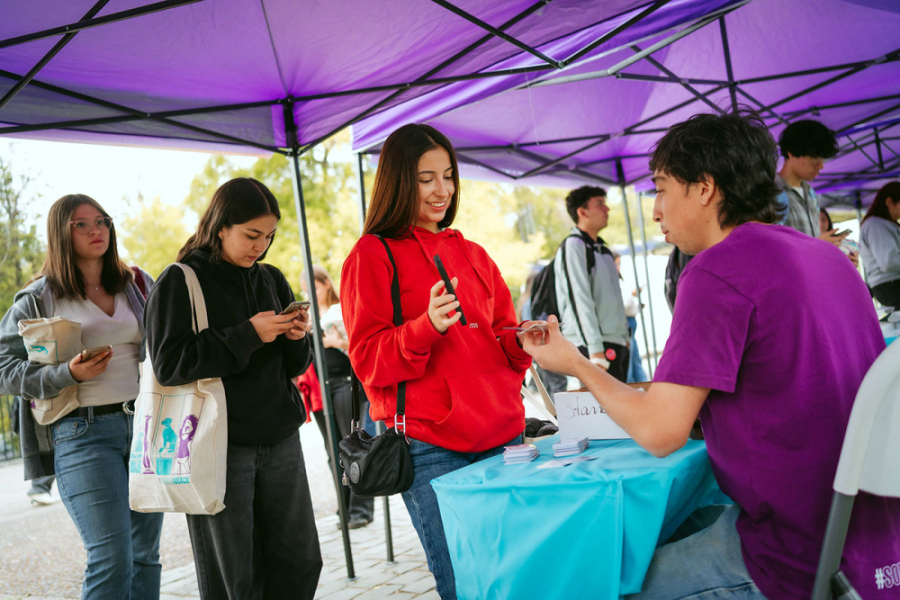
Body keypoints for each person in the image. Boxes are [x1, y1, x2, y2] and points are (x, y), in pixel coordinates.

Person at [521, 110, 899, 599]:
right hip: (873, 539)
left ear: (704, 188)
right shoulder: (829, 257)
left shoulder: (716, 270)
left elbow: (660, 432)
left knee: (598, 584)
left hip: (795, 555)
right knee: (678, 524)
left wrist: (573, 362)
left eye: (661, 189)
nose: (656, 211)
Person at [341, 123, 532, 600]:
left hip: (504, 436)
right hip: (431, 448)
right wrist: (425, 326)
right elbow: (367, 361)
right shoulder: (371, 255)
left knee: (520, 577)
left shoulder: (475, 254)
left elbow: (501, 338)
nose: (441, 190)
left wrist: (525, 340)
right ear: (398, 181)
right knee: (466, 585)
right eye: (426, 178)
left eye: (448, 176)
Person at [144, 177, 322, 600]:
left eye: (269, 236)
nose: (261, 245)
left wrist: (296, 337)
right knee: (234, 576)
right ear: (221, 226)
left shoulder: (272, 278)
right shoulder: (180, 280)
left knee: (299, 562)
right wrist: (248, 334)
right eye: (251, 234)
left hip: (280, 438)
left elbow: (295, 367)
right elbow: (169, 365)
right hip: (217, 445)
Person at [0, 194, 163, 599]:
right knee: (111, 557)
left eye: (102, 221)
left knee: (145, 555)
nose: (96, 230)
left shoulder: (137, 283)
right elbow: (3, 369)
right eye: (82, 224)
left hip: (146, 428)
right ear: (61, 233)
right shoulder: (39, 297)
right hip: (83, 433)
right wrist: (66, 374)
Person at [298, 264, 375, 529]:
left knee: (352, 446)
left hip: (345, 383)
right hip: (320, 389)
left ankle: (360, 508)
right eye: (305, 290)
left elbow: (361, 347)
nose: (309, 293)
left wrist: (336, 342)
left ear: (326, 284)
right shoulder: (307, 317)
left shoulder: (339, 311)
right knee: (333, 452)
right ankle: (344, 507)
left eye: (313, 287)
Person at [554, 186, 630, 382]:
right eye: (599, 204)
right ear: (583, 212)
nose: (607, 209)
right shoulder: (574, 245)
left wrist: (624, 338)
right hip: (593, 348)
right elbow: (579, 299)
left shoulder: (603, 250)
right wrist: (594, 349)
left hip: (614, 343)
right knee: (599, 403)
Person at [776, 120, 857, 265]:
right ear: (791, 152)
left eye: (822, 159)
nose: (820, 166)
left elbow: (813, 241)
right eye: (814, 157)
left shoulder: (811, 194)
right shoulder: (770, 192)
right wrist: (818, 244)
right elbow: (772, 246)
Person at [859, 180, 900, 307]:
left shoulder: (883, 223)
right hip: (890, 284)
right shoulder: (875, 225)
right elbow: (888, 262)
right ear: (889, 202)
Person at [611, 252, 648, 383]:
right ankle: (633, 386)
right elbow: (623, 304)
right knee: (629, 361)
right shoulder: (611, 281)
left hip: (631, 322)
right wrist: (632, 295)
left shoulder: (619, 279)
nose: (618, 267)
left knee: (635, 359)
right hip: (625, 322)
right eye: (616, 264)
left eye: (619, 264)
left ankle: (643, 385)